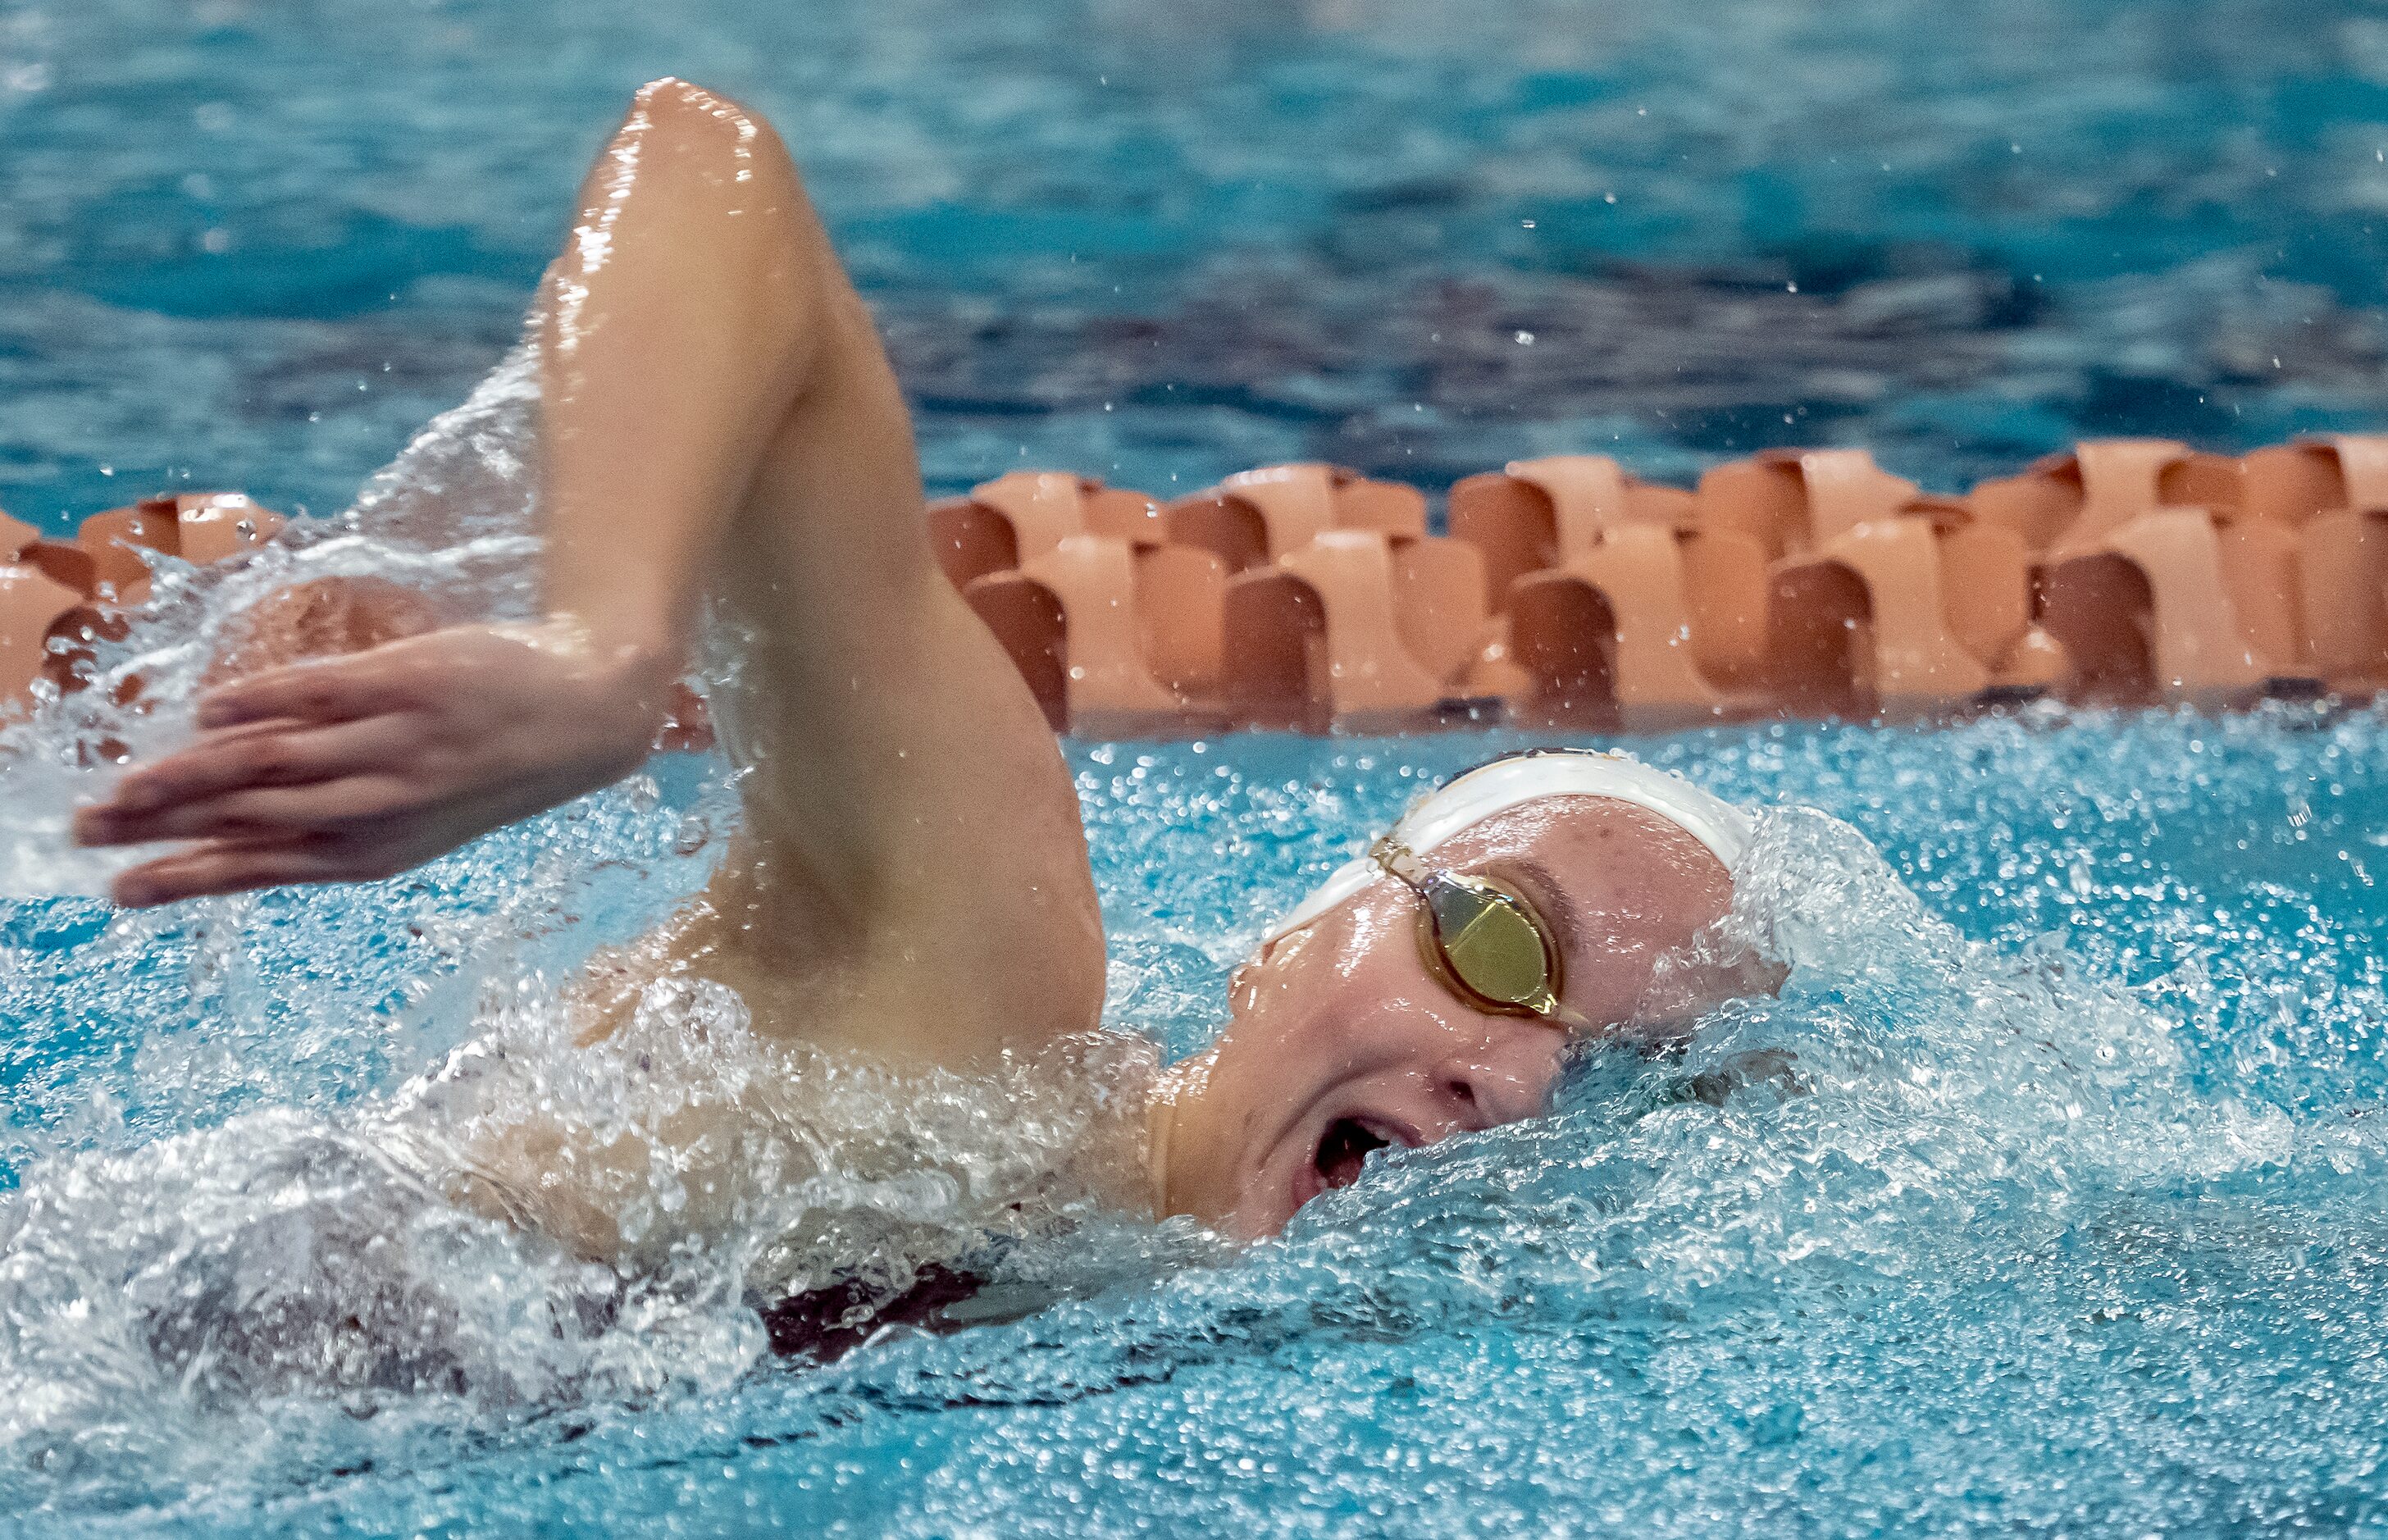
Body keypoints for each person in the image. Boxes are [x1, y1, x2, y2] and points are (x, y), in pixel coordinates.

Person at [69, 80, 1770, 1307]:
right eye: (1498, 944)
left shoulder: (1107, 1293)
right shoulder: (977, 999)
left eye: (1607, 1073)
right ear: (1285, 941)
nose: (1518, 1084)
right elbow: (713, 172)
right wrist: (599, 651)